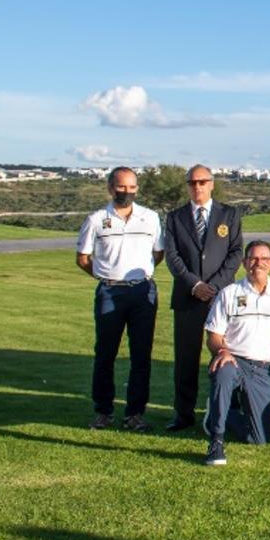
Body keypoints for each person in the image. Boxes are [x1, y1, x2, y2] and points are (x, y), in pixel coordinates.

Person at [76, 166, 164, 431]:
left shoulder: (150, 218)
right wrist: (106, 276)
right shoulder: (96, 220)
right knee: (105, 354)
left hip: (142, 291)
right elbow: (83, 259)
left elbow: (158, 253)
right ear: (110, 188)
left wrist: (140, 273)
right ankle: (103, 412)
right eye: (121, 187)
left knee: (141, 356)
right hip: (110, 292)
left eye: (132, 187)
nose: (127, 192)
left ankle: (135, 414)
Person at [202, 240, 270, 465]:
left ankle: (220, 414)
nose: (258, 263)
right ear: (245, 263)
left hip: (262, 369)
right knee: (223, 372)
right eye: (253, 258)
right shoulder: (229, 293)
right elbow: (213, 335)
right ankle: (216, 441)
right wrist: (223, 351)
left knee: (259, 438)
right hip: (233, 360)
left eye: (264, 259)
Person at [163, 164, 243, 432]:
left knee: (225, 355)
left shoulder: (229, 214)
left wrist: (214, 285)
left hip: (221, 297)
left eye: (202, 181)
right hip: (188, 298)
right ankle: (183, 414)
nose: (197, 186)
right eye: (192, 182)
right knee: (186, 360)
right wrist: (195, 285)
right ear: (187, 186)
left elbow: (235, 253)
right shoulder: (175, 217)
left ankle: (227, 412)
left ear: (211, 184)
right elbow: (172, 257)